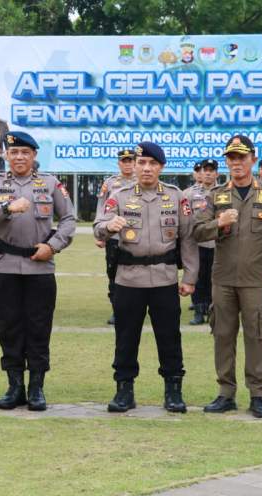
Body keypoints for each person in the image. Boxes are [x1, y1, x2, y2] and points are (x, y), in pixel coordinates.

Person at [0, 131, 76, 411]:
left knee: (39, 328)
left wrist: (53, 246)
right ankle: (14, 386)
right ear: (6, 155)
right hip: (5, 267)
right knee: (9, 328)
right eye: (14, 152)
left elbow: (68, 219)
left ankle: (37, 387)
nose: (19, 157)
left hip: (40, 268)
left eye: (25, 153)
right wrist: (6, 207)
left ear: (33, 156)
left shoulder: (51, 183)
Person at [94, 142, 198, 413]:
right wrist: (107, 226)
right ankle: (124, 391)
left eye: (153, 163)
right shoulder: (118, 195)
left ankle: (173, 391)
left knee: (170, 337)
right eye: (142, 163)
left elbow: (188, 239)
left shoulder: (176, 197)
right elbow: (97, 229)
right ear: (136, 166)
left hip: (165, 278)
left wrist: (189, 276)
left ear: (161, 167)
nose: (147, 168)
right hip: (129, 278)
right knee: (126, 337)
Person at [194, 135, 262, 418]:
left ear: (253, 160)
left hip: (256, 279)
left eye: (242, 157)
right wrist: (218, 224)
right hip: (222, 279)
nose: (236, 163)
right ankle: (225, 393)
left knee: (256, 336)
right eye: (231, 158)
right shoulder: (216, 195)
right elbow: (197, 231)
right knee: (222, 334)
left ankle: (257, 394)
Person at [95, 149, 137, 325]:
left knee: (137, 273)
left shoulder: (142, 182)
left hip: (137, 237)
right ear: (119, 163)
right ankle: (117, 310)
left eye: (130, 160)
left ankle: (137, 309)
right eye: (124, 160)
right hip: (113, 237)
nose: (127, 163)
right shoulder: (110, 183)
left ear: (135, 162)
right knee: (113, 274)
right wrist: (100, 233)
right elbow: (101, 207)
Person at [184, 158, 219, 325]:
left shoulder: (223, 192)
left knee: (215, 278)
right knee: (197, 277)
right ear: (201, 173)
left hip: (217, 243)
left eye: (212, 170)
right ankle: (198, 310)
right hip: (196, 243)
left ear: (217, 174)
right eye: (205, 170)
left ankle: (213, 310)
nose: (208, 173)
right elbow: (185, 219)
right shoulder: (189, 194)